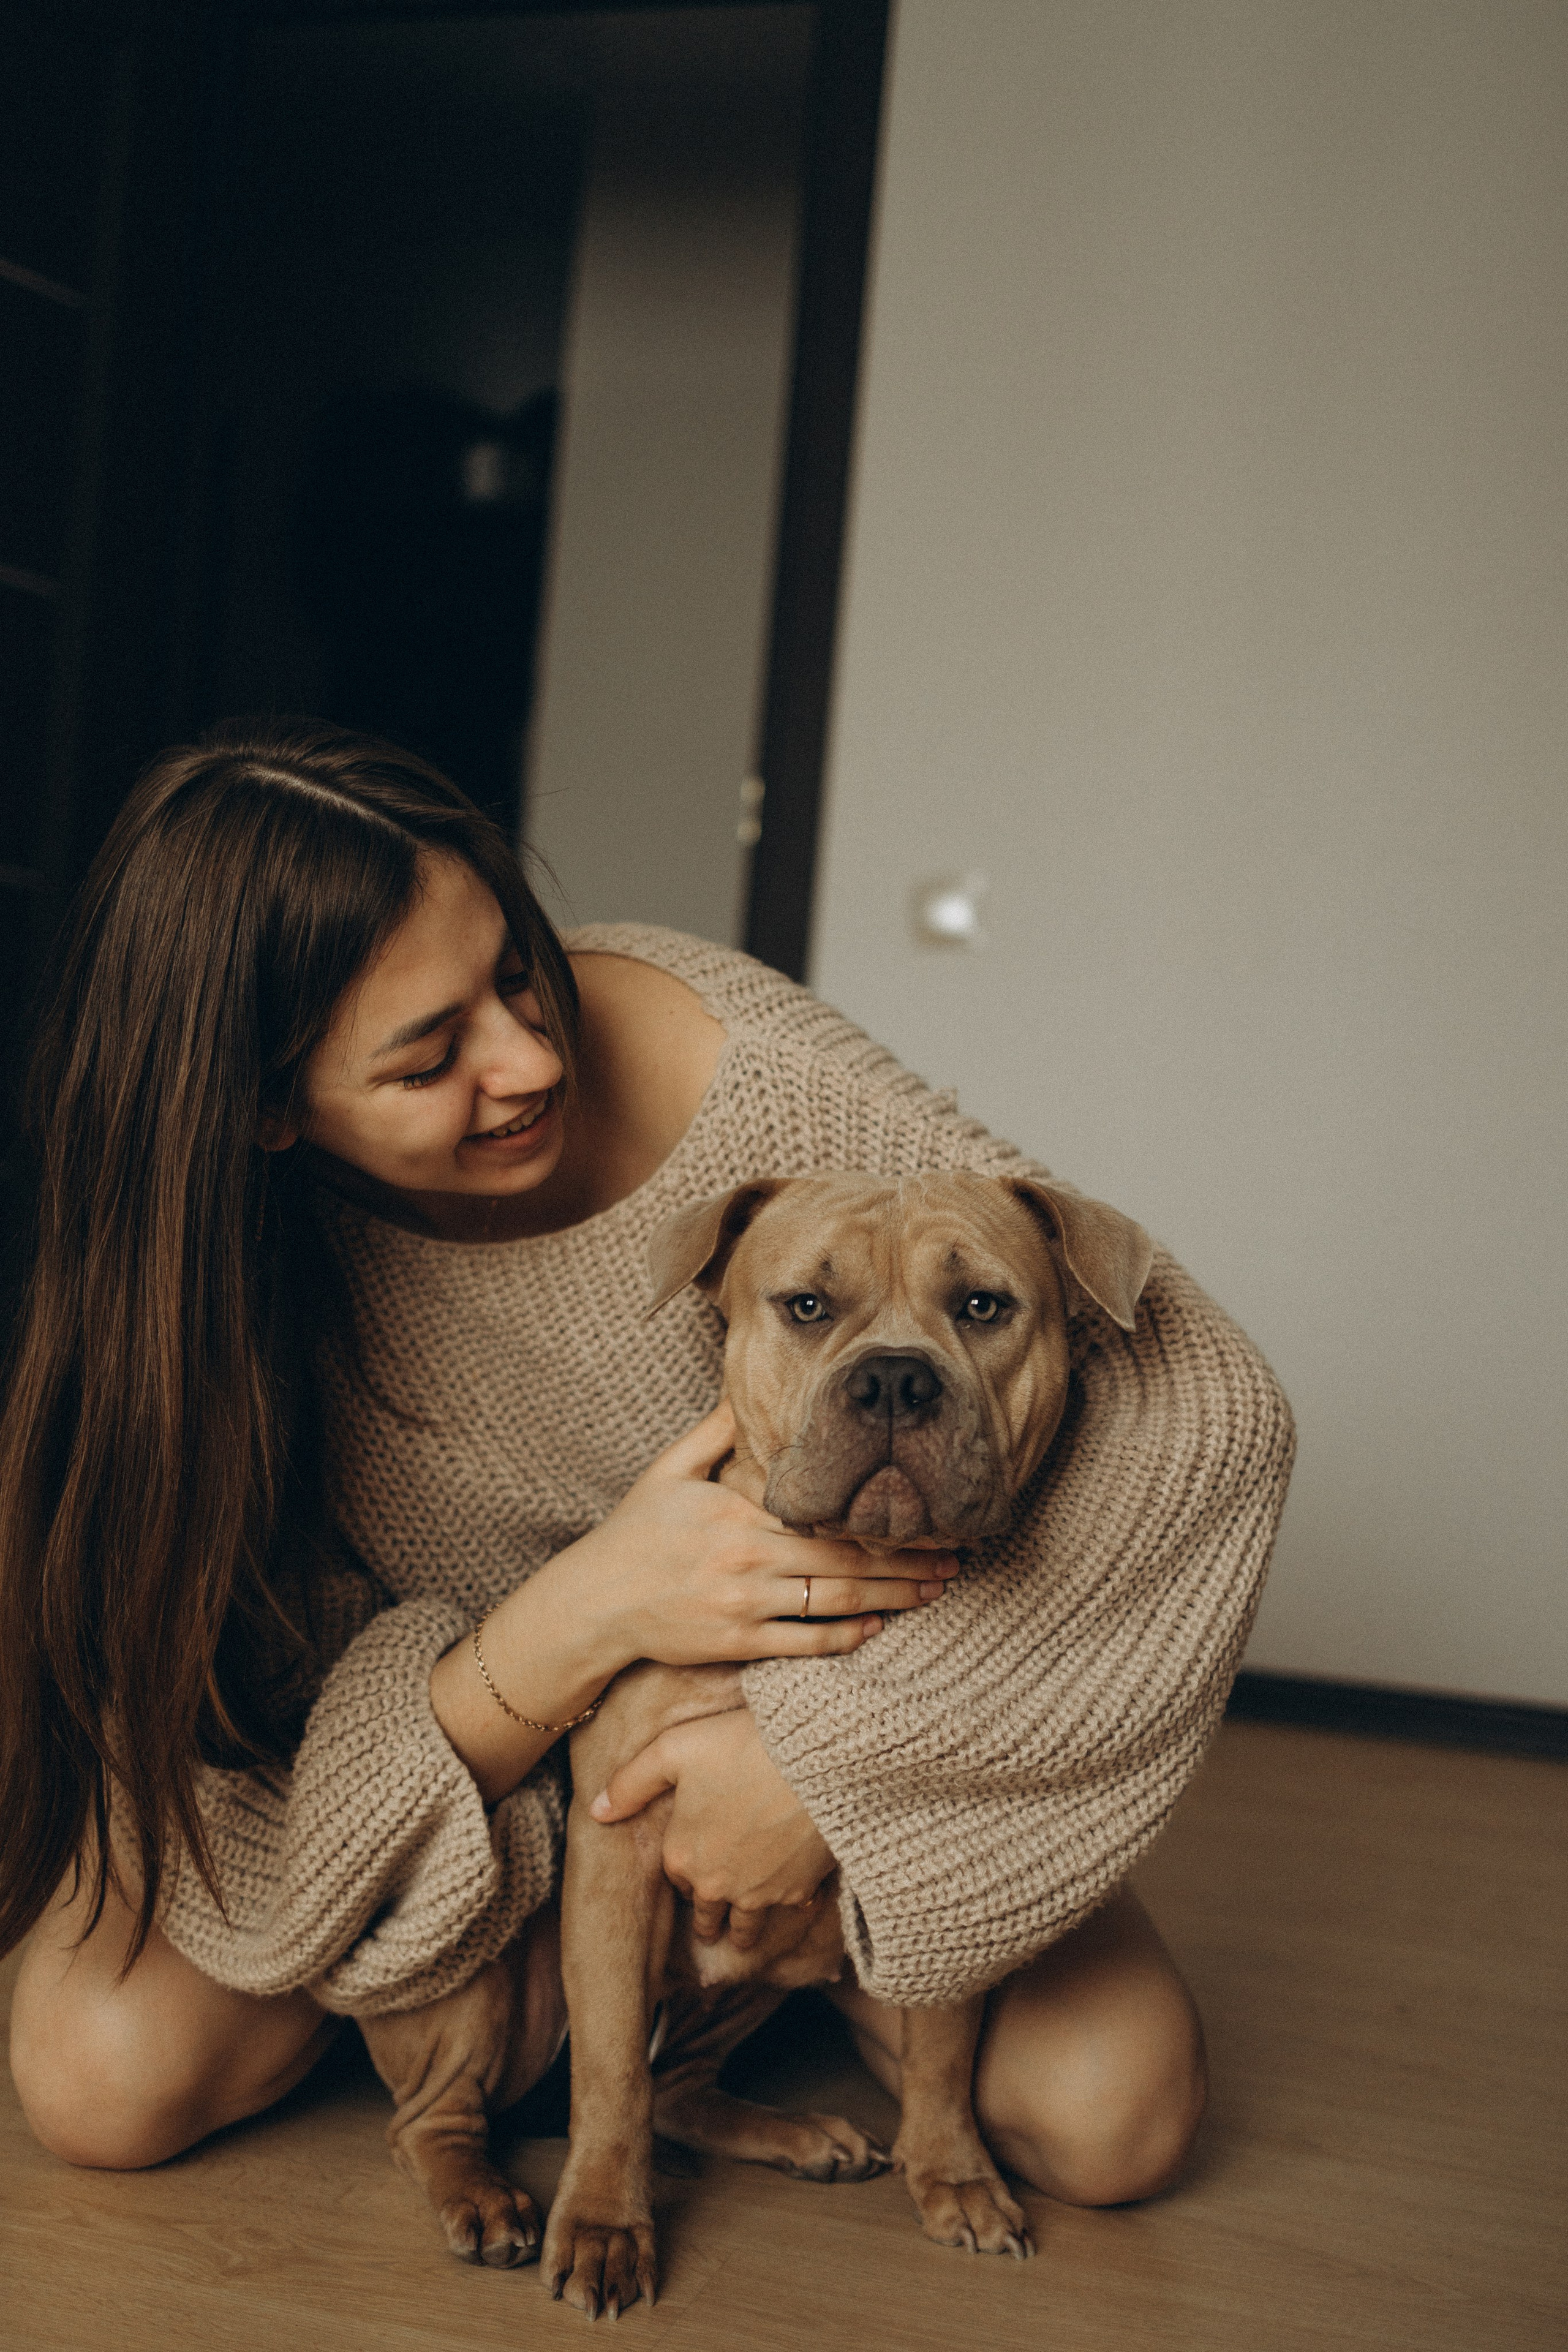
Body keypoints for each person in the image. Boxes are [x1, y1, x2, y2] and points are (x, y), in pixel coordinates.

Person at [2, 722, 1293, 2210]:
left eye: (514, 972)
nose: (529, 1057)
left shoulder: (767, 1097)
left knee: (1112, 2113)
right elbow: (238, 1706)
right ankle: (532, 2033)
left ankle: (706, 2002)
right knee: (98, 2073)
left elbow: (1206, 1416)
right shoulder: (205, 1289)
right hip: (489, 1761)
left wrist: (825, 1770)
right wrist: (569, 1628)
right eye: (430, 1055)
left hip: (843, 1693)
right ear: (261, 1112)